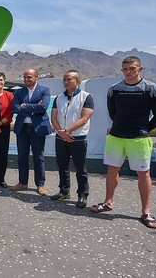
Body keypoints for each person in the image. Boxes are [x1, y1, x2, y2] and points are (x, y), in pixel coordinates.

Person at [91, 56, 156, 229]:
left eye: (132, 68)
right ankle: (108, 202)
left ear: (140, 69)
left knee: (143, 174)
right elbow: (112, 113)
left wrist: (144, 129)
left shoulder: (151, 88)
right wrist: (122, 126)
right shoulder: (114, 89)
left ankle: (146, 212)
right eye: (125, 69)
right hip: (116, 136)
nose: (128, 72)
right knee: (112, 170)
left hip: (139, 139)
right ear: (121, 70)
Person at [50, 70, 94, 208]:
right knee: (62, 166)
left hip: (78, 138)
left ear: (78, 81)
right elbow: (54, 116)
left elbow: (85, 118)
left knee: (80, 168)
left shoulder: (86, 97)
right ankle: (64, 191)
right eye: (64, 79)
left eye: (69, 79)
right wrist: (60, 132)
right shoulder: (59, 97)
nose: (66, 82)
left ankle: (82, 194)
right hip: (60, 137)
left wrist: (67, 131)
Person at [11, 68, 52, 196]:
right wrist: (33, 108)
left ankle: (40, 185)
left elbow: (43, 107)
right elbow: (15, 108)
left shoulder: (44, 90)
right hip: (22, 129)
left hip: (37, 129)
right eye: (25, 77)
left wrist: (25, 106)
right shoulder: (19, 92)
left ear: (36, 77)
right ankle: (22, 182)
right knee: (22, 157)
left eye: (29, 77)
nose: (27, 79)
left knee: (38, 157)